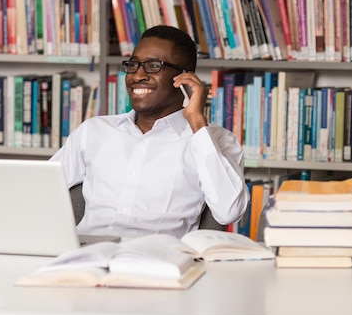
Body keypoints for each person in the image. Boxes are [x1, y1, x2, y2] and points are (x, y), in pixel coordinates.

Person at [50, 25, 249, 238]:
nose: (137, 76)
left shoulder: (215, 140)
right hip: (86, 256)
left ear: (184, 78)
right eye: (133, 65)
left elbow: (229, 212)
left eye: (153, 66)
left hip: (158, 260)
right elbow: (39, 186)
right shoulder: (94, 131)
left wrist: (197, 123)